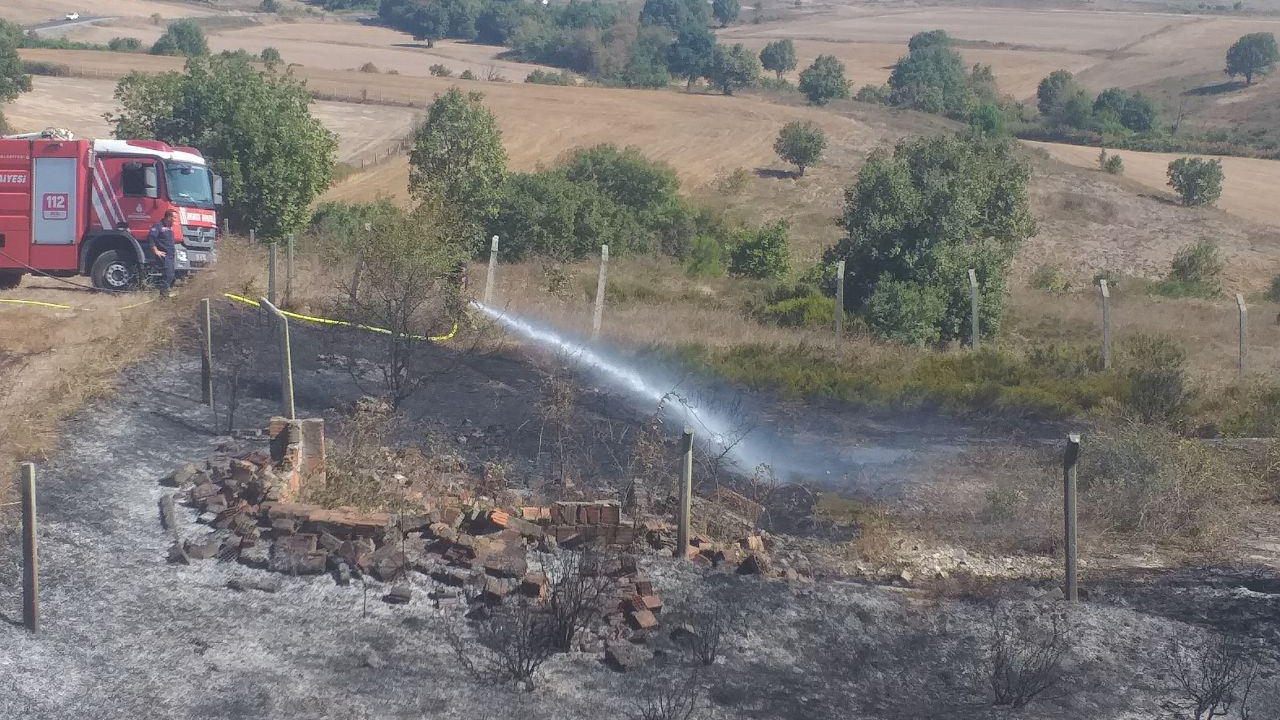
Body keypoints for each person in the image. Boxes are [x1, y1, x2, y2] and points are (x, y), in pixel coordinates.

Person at [147, 209, 178, 297]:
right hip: (164, 255)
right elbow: (151, 238)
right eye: (174, 217)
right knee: (168, 275)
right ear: (168, 217)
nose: (176, 219)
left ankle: (167, 292)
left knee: (172, 277)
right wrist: (156, 251)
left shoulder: (170, 227)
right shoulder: (158, 226)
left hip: (171, 255)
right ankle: (163, 296)